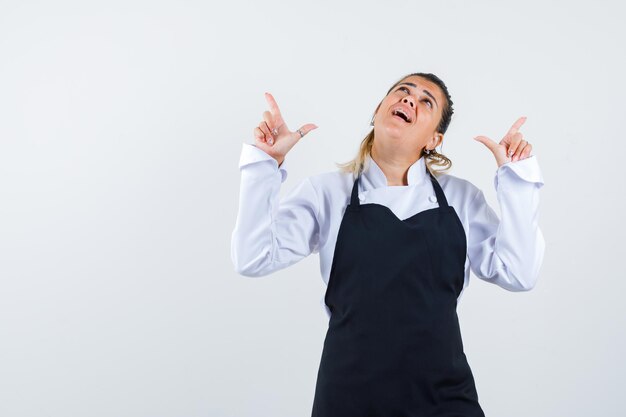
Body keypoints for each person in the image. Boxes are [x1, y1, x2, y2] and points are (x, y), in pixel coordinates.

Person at [230, 72, 545, 416]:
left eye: (427, 101)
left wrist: (518, 182)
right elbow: (252, 257)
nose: (409, 99)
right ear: (378, 111)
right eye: (402, 91)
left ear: (435, 139)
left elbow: (519, 273)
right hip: (348, 399)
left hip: (445, 401)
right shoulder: (327, 193)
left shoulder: (461, 199)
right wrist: (264, 165)